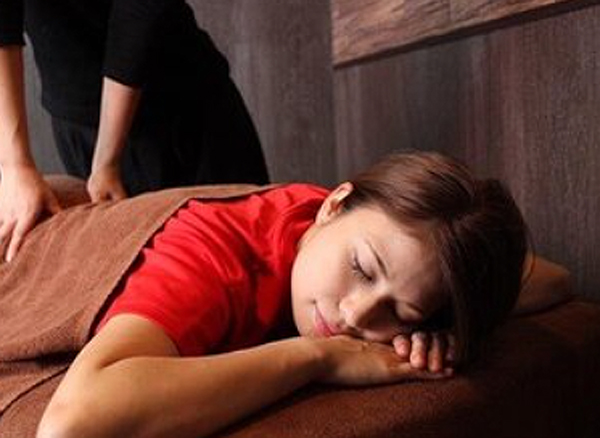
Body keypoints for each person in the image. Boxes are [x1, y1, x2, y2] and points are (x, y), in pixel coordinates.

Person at [5, 150, 529, 438]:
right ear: (333, 204)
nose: (355, 315)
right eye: (362, 269)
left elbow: (552, 278)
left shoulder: (383, 230)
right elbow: (73, 424)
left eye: (401, 310)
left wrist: (445, 329)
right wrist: (318, 357)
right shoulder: (213, 258)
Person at [0, 0, 269, 263]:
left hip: (183, 116)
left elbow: (141, 9)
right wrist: (15, 166)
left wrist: (106, 162)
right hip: (80, 124)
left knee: (238, 264)